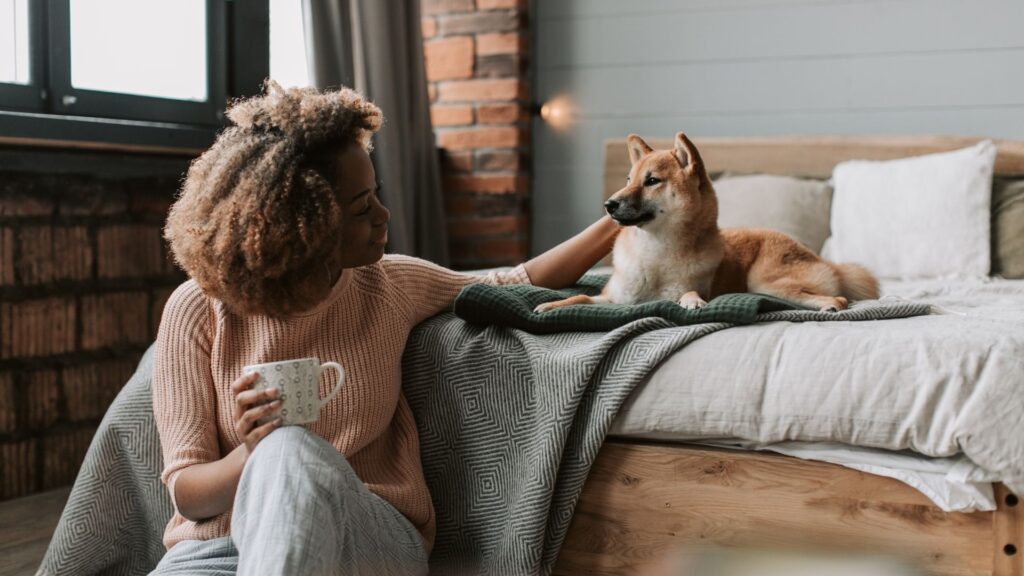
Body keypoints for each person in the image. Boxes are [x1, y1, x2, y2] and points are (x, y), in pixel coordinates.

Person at [151, 81, 619, 575]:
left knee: (288, 450)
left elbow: (512, 282)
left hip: (368, 539)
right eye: (360, 208)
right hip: (217, 551)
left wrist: (621, 221)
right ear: (300, 225)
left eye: (375, 195)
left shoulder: (388, 285)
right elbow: (189, 493)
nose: (383, 215)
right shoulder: (198, 310)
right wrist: (249, 453)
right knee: (275, 453)